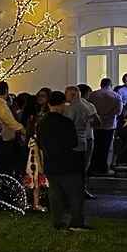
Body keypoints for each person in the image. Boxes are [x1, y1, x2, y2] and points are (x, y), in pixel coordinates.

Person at [37, 91, 89, 230]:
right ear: (62, 104)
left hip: (50, 163)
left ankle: (57, 222)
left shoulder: (42, 123)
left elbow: (39, 143)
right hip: (67, 163)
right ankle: (76, 222)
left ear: (48, 104)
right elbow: (73, 142)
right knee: (75, 194)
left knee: (55, 195)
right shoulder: (66, 122)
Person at [63, 86, 98, 200]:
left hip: (74, 142)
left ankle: (73, 192)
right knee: (83, 167)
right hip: (85, 139)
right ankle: (82, 189)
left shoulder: (70, 109)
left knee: (73, 168)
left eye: (66, 93)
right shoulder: (86, 107)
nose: (65, 96)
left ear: (72, 95)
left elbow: (68, 126)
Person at [87, 78, 123, 175]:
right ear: (110, 85)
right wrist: (106, 116)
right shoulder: (116, 96)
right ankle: (103, 167)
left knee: (96, 147)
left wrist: (99, 117)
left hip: (95, 124)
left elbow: (89, 108)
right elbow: (118, 110)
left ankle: (93, 167)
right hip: (109, 125)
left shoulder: (93, 95)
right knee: (106, 147)